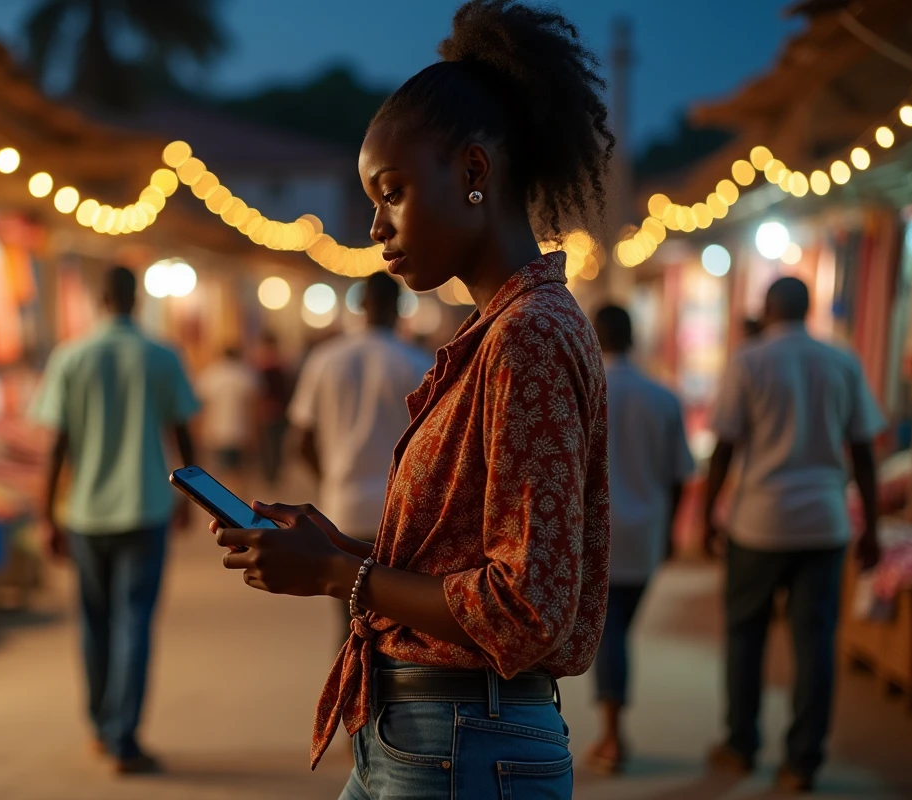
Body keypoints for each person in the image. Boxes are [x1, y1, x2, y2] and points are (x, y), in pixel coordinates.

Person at [209, 2, 614, 797]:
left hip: (464, 746)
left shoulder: (524, 338)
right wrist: (348, 551)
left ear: (472, 174)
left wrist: (335, 576)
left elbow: (528, 606)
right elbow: (474, 568)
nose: (375, 226)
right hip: (439, 736)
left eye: (391, 192)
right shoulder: (501, 330)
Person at [704, 276, 884, 793]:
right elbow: (865, 453)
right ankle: (803, 760)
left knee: (745, 635)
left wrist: (713, 514)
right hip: (825, 524)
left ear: (768, 308)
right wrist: (870, 528)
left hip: (759, 524)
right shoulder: (842, 360)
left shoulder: (750, 360)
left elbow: (724, 448)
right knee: (815, 643)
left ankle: (741, 744)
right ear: (808, 310)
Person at [31, 266, 199, 775]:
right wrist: (192, 498)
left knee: (95, 621)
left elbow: (56, 446)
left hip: (86, 513)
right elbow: (182, 433)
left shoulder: (71, 356)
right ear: (134, 299)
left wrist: (47, 516)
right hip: (146, 509)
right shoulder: (162, 355)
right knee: (135, 622)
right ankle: (125, 737)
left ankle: (102, 727)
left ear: (100, 297)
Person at [288, 271, 431, 647]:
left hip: (342, 509)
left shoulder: (326, 359)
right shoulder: (418, 364)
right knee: (397, 628)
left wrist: (330, 478)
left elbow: (300, 441)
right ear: (399, 307)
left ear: (360, 305)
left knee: (350, 623)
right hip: (399, 513)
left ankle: (350, 702)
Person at [587, 305, 694, 775]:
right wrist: (670, 531)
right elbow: (679, 475)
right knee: (617, 630)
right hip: (644, 533)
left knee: (609, 633)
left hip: (592, 536)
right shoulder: (663, 396)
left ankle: (612, 737)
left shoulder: (583, 389)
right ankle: (612, 729)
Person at [195, 345, 262, 493]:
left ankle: (227, 500)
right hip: (241, 431)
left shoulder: (211, 374)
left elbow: (203, 405)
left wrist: (200, 429)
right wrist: (255, 431)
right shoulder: (245, 373)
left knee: (222, 471)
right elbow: (253, 405)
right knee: (240, 471)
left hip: (217, 431)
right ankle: (239, 497)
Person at [255, 332, 292, 487]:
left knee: (273, 444)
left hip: (272, 411)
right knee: (272, 445)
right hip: (273, 411)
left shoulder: (267, 366)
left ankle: (272, 474)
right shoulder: (276, 366)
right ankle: (271, 474)